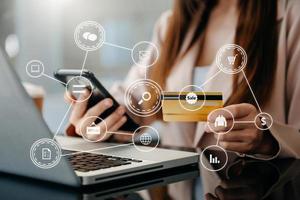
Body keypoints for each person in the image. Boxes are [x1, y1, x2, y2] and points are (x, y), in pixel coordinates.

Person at [65, 0, 300, 199]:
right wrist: (98, 114)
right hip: (177, 190)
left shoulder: (292, 16)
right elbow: (133, 98)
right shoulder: (171, 25)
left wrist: (266, 137)